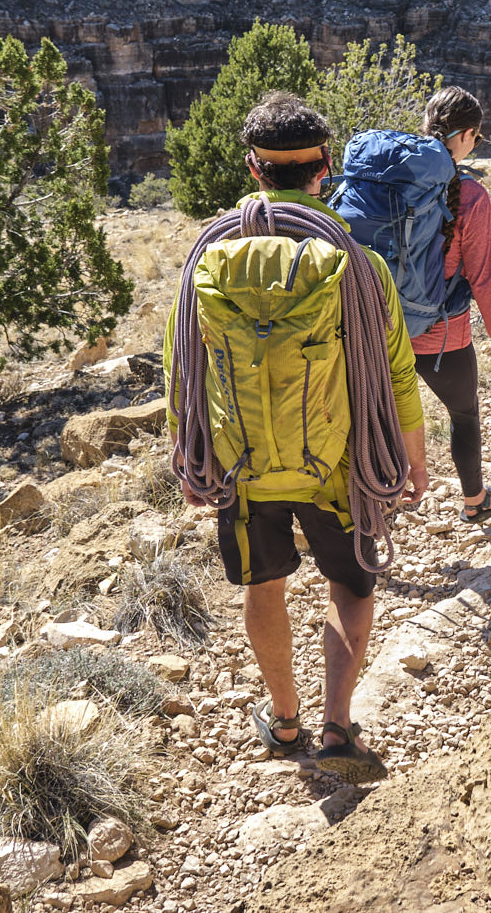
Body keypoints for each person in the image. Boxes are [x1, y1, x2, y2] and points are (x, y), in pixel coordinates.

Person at [164, 92, 429, 784]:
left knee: (264, 583)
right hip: (339, 466)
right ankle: (338, 724)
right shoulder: (356, 263)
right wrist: (414, 452)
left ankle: (286, 721)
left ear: (254, 169)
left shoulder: (207, 262)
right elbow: (396, 365)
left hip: (243, 467)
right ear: (326, 168)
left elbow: (180, 370)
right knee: (350, 582)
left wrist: (188, 454)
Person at [411, 86, 491, 523]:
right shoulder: (470, 197)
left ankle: (367, 517)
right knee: (463, 414)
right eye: (477, 138)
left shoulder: (386, 181)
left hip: (378, 329)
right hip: (441, 336)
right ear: (466, 136)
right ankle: (475, 500)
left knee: (378, 420)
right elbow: (485, 280)